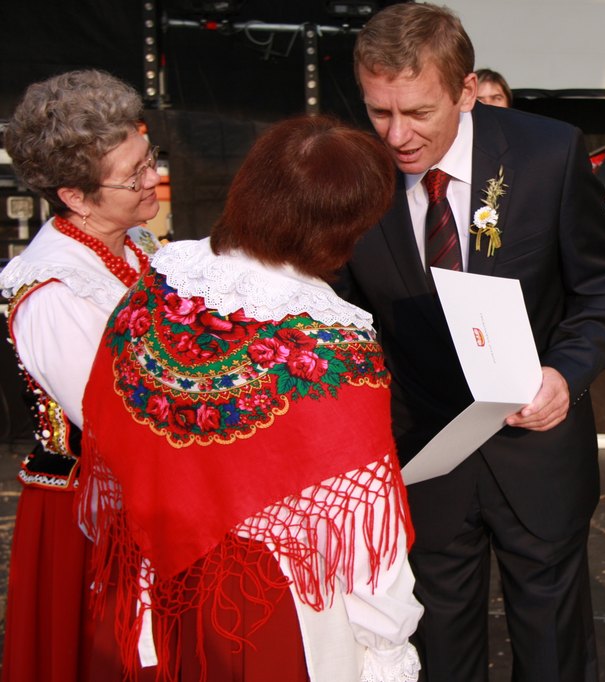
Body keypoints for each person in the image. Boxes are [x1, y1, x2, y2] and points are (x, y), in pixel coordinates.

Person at [336, 4, 605, 680]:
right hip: (424, 460)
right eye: (379, 112)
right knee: (440, 657)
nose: (397, 136)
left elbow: (603, 290)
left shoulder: (548, 154)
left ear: (467, 91)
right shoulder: (351, 170)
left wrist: (564, 374)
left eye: (418, 112)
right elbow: (342, 312)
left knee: (554, 655)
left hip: (539, 458)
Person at [76, 115, 424, 681]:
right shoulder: (335, 342)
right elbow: (365, 533)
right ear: (345, 228)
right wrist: (389, 648)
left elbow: (107, 415)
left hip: (147, 569)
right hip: (264, 601)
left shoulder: (163, 276)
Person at [0, 70, 162, 681]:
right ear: (75, 196)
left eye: (148, 159)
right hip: (88, 518)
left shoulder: (136, 241)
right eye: (133, 175)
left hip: (150, 496)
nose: (152, 179)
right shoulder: (52, 292)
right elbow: (119, 419)